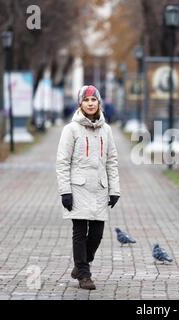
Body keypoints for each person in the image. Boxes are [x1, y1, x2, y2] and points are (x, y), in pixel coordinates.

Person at [56, 85, 120, 290]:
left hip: (100, 188)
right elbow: (62, 162)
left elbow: (112, 161)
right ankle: (84, 274)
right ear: (80, 104)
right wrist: (65, 191)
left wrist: (114, 190)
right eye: (86, 100)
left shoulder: (106, 129)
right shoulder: (71, 129)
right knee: (80, 231)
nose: (90, 104)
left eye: (94, 100)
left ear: (99, 103)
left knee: (97, 233)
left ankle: (80, 263)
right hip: (78, 188)